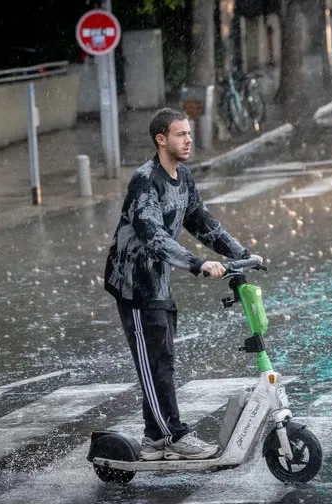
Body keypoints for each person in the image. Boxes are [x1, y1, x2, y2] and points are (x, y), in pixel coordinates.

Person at [103, 108, 262, 461]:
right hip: (134, 286)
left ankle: (154, 438)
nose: (188, 140)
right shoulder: (145, 181)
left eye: (189, 134)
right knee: (154, 362)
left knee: (163, 361)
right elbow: (152, 235)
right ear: (161, 139)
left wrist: (242, 253)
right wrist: (197, 263)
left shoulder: (183, 177)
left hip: (158, 281)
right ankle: (172, 435)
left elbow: (199, 220)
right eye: (180, 135)